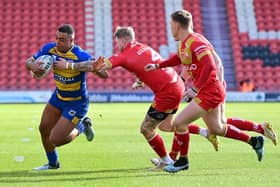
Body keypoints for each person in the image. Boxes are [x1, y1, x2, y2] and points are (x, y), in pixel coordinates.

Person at [56, 26, 221, 169]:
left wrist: (69, 65)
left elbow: (96, 66)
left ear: (121, 40)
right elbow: (146, 64)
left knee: (146, 128)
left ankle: (166, 162)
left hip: (166, 92)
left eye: (117, 42)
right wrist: (141, 80)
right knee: (166, 126)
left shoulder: (124, 55)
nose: (117, 46)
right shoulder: (143, 47)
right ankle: (205, 132)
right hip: (176, 84)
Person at [145, 10, 277, 173]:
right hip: (208, 90)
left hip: (210, 91)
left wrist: (195, 88)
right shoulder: (185, 44)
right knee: (217, 128)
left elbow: (209, 66)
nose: (170, 28)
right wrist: (158, 65)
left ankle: (182, 161)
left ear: (178, 26)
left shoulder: (196, 42)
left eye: (171, 25)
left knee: (179, 123)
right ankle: (255, 140)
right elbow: (178, 58)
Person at [25, 24, 107, 170]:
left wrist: (72, 66)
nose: (58, 41)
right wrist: (33, 67)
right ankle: (53, 164)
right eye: (57, 38)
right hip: (58, 97)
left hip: (76, 103)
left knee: (56, 139)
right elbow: (28, 62)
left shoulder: (80, 55)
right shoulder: (49, 49)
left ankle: (82, 126)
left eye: (62, 39)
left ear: (71, 40)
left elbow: (103, 74)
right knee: (43, 129)